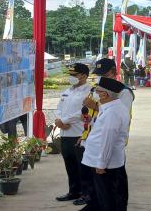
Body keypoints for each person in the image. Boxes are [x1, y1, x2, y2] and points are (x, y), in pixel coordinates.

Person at [80, 58, 134, 210]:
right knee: (99, 187)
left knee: (114, 189)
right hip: (97, 143)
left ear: (113, 72)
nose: (100, 77)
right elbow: (102, 118)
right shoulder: (102, 90)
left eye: (103, 74)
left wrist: (95, 106)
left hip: (110, 150)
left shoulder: (123, 92)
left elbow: (112, 126)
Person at [54, 63, 92, 203]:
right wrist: (59, 121)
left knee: (83, 166)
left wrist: (64, 120)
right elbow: (59, 108)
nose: (71, 77)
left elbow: (83, 112)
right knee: (70, 164)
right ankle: (74, 191)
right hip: (65, 134)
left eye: (74, 75)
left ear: (83, 76)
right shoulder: (67, 91)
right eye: (70, 74)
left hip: (79, 134)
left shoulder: (89, 92)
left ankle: (86, 194)